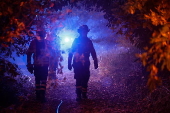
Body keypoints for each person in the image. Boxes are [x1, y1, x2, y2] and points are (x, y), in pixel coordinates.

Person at [68, 25, 98, 101]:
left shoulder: (88, 41)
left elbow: (93, 52)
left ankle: (84, 94)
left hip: (85, 62)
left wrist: (95, 61)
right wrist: (69, 62)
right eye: (83, 31)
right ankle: (78, 95)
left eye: (85, 31)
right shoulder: (76, 41)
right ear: (80, 32)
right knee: (78, 78)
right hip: (77, 62)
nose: (84, 33)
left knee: (85, 77)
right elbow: (71, 52)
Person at [26, 30, 52, 102]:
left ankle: (42, 95)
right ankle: (38, 96)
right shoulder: (34, 43)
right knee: (37, 79)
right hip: (37, 64)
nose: (40, 37)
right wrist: (29, 64)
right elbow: (29, 53)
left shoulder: (46, 42)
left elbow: (52, 53)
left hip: (45, 64)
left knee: (43, 79)